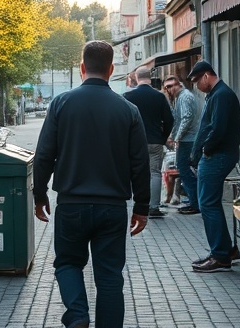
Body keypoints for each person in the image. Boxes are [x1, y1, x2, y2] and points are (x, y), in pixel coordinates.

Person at [33, 41, 150, 328]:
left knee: (68, 264)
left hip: (72, 205)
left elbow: (44, 155)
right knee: (110, 276)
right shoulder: (129, 110)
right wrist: (142, 207)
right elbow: (140, 163)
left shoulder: (61, 104)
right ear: (111, 70)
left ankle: (77, 315)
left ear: (82, 68)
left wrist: (39, 195)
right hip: (112, 208)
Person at [187, 60, 240, 273]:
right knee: (211, 203)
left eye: (196, 81)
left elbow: (217, 129)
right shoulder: (218, 94)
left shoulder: (221, 95)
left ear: (207, 76)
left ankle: (220, 255)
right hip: (217, 154)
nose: (196, 87)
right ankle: (225, 250)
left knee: (207, 203)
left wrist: (205, 149)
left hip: (217, 155)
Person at [124, 65, 174, 218]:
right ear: (150, 78)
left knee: (135, 172)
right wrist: (163, 136)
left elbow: (122, 120)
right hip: (154, 141)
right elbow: (169, 119)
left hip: (134, 142)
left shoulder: (128, 96)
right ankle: (153, 207)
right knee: (155, 173)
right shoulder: (159, 96)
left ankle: (137, 204)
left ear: (136, 78)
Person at [165, 74, 200, 215]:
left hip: (188, 140)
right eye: (167, 87)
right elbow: (179, 119)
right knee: (185, 171)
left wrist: (177, 137)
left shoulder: (184, 97)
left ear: (179, 84)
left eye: (172, 85)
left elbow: (186, 118)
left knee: (185, 170)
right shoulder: (181, 97)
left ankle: (195, 203)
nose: (170, 89)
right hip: (187, 139)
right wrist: (174, 135)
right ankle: (194, 201)